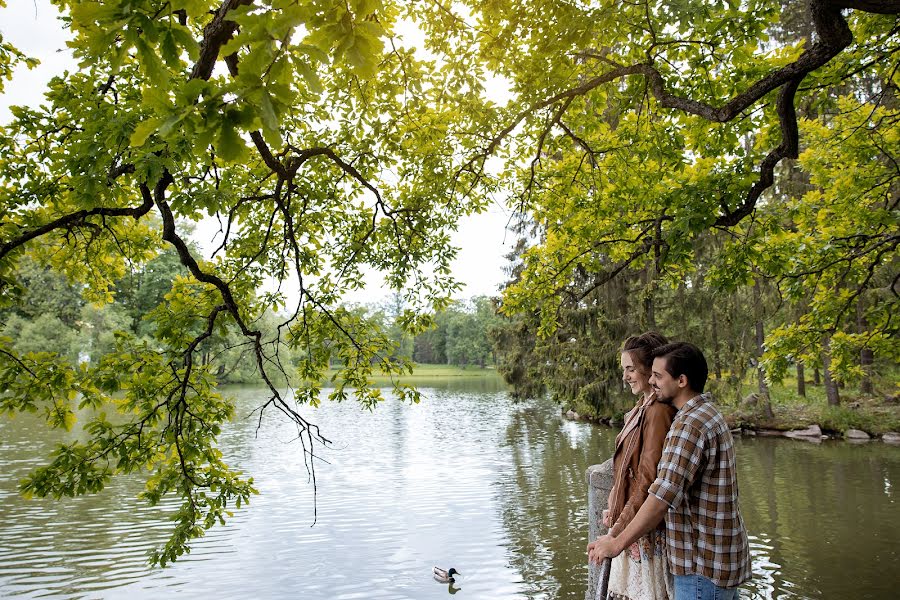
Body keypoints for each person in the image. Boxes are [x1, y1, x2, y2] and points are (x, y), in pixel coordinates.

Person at [588, 342, 751, 600]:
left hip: (702, 567)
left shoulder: (690, 426)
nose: (652, 382)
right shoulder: (708, 413)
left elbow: (661, 496)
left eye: (658, 376)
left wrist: (616, 543)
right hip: (718, 562)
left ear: (682, 380)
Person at [602, 332, 676, 600]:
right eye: (624, 370)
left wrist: (619, 528)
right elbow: (625, 469)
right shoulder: (642, 406)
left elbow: (648, 479)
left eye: (631, 369)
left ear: (650, 369)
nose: (625, 376)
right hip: (629, 520)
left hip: (643, 529)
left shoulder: (658, 411)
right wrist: (614, 502)